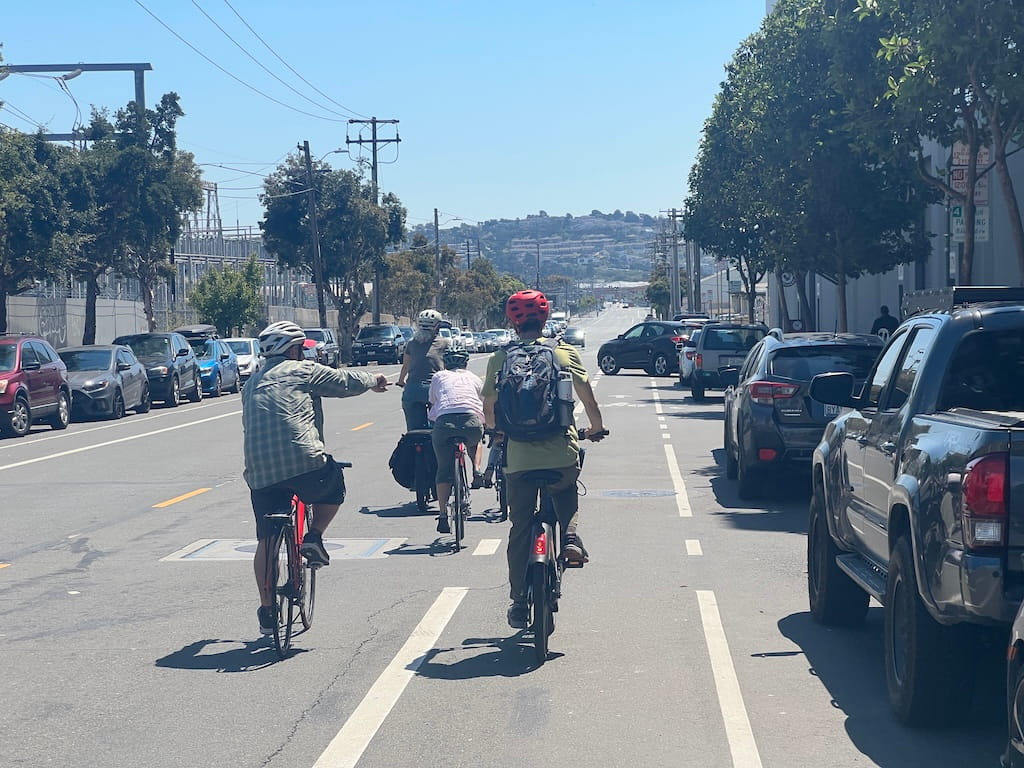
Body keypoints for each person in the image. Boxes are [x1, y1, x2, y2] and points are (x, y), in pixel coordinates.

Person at [242, 320, 388, 636]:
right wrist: (373, 379)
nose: (306, 354)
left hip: (260, 473)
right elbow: (344, 382)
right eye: (302, 349)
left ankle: (267, 608)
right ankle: (315, 536)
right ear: (293, 350)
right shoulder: (303, 371)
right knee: (333, 485)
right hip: (305, 463)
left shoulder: (249, 384)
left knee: (266, 540)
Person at [482, 289, 606, 630]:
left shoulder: (500, 358)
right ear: (546, 317)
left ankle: (519, 602)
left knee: (520, 527)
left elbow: (488, 409)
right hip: (560, 452)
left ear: (512, 321)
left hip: (519, 459)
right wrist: (596, 427)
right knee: (566, 488)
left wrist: (497, 432)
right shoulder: (563, 353)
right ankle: (569, 537)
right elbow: (588, 397)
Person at [428, 348, 486, 533]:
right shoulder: (475, 378)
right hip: (471, 422)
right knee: (475, 441)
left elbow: (432, 400)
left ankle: (443, 514)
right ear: (466, 363)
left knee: (444, 469)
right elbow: (483, 402)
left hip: (445, 424)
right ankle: (476, 470)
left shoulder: (438, 376)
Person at [396, 309, 448, 430]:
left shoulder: (411, 343)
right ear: (437, 327)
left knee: (413, 429)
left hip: (412, 389)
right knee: (438, 428)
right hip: (435, 389)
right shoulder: (444, 343)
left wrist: (400, 381)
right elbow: (449, 366)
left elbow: (406, 366)